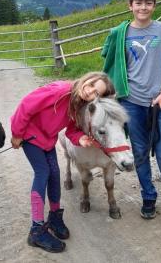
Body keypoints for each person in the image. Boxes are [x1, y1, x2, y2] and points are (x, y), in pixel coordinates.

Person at [10, 72, 115, 253]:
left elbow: (72, 130)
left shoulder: (80, 104)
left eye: (97, 94)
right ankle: (36, 229)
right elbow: (27, 105)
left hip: (47, 139)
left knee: (55, 173)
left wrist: (80, 138)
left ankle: (55, 217)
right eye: (91, 85)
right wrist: (17, 133)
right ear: (87, 79)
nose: (90, 92)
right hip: (30, 134)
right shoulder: (60, 91)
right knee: (43, 173)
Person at [102, 0, 161, 219]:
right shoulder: (121, 34)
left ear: (154, 5)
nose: (143, 7)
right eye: (138, 3)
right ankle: (148, 197)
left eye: (148, 3)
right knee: (139, 152)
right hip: (132, 102)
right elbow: (111, 64)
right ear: (130, 5)